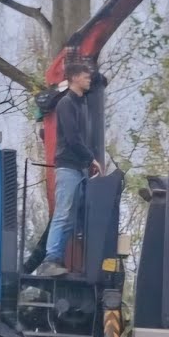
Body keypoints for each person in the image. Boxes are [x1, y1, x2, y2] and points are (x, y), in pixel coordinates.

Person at [35, 62, 103, 277]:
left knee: (73, 216)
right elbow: (73, 138)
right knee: (63, 213)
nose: (89, 79)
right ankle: (50, 260)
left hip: (79, 168)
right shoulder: (66, 103)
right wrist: (91, 159)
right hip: (68, 167)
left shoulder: (81, 104)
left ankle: (57, 259)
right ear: (74, 78)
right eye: (85, 75)